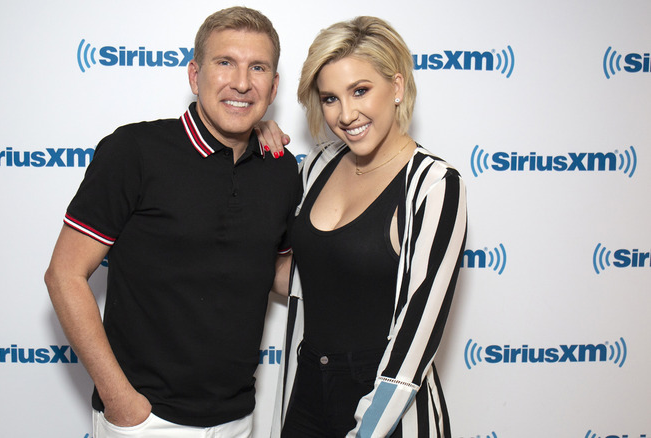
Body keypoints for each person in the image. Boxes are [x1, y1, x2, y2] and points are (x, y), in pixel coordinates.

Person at [44, 7, 300, 438]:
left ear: (273, 86)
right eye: (225, 63)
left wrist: (361, 269)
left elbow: (275, 270)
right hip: (145, 420)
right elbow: (64, 274)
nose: (241, 82)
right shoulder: (135, 151)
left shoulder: (280, 167)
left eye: (257, 67)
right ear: (194, 75)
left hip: (237, 417)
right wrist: (120, 401)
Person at [272, 16, 468, 438]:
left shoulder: (433, 185)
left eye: (360, 91)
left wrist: (367, 430)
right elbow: (303, 279)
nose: (346, 114)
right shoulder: (320, 165)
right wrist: (255, 140)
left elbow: (418, 335)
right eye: (330, 99)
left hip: (387, 405)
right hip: (307, 390)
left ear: (396, 87)